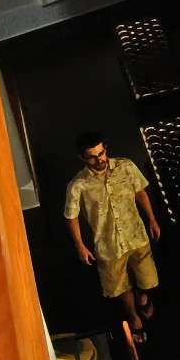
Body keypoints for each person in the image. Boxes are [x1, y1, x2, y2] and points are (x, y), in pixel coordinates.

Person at [65, 131, 163, 339]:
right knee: (119, 285)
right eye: (92, 156)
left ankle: (143, 296)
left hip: (135, 234)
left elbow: (140, 192)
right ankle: (133, 316)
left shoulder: (126, 166)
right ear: (82, 158)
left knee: (148, 278)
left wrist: (152, 219)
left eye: (101, 153)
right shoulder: (78, 185)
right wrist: (80, 245)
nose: (98, 159)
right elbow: (71, 216)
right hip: (108, 243)